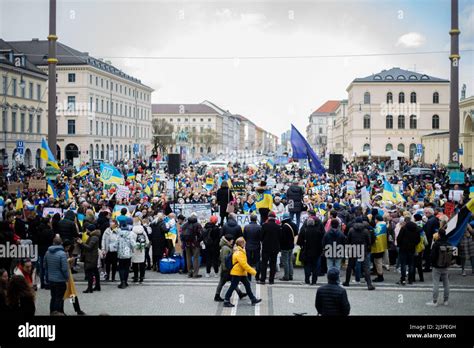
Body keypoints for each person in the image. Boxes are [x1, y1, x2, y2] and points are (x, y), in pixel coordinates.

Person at [223, 237, 262, 307]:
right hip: (237, 273)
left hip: (241, 272)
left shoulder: (240, 250)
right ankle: (226, 300)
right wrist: (254, 272)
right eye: (244, 243)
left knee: (247, 285)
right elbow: (244, 265)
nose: (245, 244)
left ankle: (253, 299)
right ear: (242, 243)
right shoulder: (239, 253)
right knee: (233, 286)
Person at [343, 216, 375, 290]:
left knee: (350, 266)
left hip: (353, 249)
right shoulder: (366, 231)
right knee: (365, 267)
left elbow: (348, 240)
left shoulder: (351, 230)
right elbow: (369, 241)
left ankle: (347, 282)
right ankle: (369, 284)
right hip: (363, 250)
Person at [214, 234, 246, 302]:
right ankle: (217, 296)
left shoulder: (227, 246)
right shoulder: (225, 248)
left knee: (233, 281)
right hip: (226, 269)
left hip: (227, 268)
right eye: (232, 240)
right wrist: (227, 269)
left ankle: (240, 293)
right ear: (228, 241)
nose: (233, 242)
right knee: (222, 282)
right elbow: (224, 260)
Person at [44, 236, 69, 314]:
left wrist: (47, 276)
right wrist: (67, 277)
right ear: (61, 243)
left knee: (53, 297)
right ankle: (58, 313)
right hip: (60, 280)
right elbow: (64, 269)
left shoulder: (47, 252)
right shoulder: (62, 254)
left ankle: (52, 312)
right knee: (59, 298)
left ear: (53, 243)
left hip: (51, 279)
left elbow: (45, 265)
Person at [426, 229, 451, 306]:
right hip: (445, 265)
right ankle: (446, 300)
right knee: (446, 283)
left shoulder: (436, 244)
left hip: (436, 266)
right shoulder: (448, 243)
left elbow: (432, 256)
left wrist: (431, 263)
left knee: (436, 283)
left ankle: (435, 301)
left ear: (439, 235)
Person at [297, 217, 325, 285]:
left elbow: (299, 242)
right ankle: (314, 281)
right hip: (316, 251)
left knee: (307, 266)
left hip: (306, 251)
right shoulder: (318, 231)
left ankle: (307, 280)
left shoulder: (304, 230)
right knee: (315, 266)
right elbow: (321, 242)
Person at [62, 240, 85, 315]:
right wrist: (69, 260)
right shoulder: (62, 253)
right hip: (65, 276)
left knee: (70, 294)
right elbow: (64, 264)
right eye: (67, 247)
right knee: (67, 294)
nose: (68, 249)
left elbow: (69, 266)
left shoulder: (66, 252)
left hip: (67, 275)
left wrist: (71, 261)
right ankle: (76, 310)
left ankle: (76, 309)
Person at [77, 224, 101, 293]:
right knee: (95, 272)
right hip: (92, 256)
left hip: (91, 257)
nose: (86, 230)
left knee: (89, 273)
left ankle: (90, 288)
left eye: (87, 229)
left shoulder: (94, 237)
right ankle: (97, 286)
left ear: (90, 230)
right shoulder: (93, 236)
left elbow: (89, 247)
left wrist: (81, 243)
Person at [259, 212, 280, 285]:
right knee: (273, 264)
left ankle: (262, 279)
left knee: (264, 264)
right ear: (275, 218)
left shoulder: (265, 226)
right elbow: (280, 238)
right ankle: (271, 280)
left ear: (268, 217)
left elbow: (261, 237)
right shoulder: (278, 226)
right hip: (275, 248)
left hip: (266, 248)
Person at [396, 220, 420, 285]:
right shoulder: (416, 229)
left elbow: (399, 238)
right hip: (412, 248)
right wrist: (414, 244)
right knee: (411, 265)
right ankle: (410, 279)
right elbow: (418, 239)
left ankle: (403, 279)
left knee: (403, 264)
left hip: (403, 248)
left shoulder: (404, 229)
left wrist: (400, 245)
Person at [181, 212, 203, 278]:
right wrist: (199, 241)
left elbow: (182, 234)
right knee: (196, 259)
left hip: (187, 244)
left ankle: (189, 273)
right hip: (195, 244)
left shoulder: (185, 225)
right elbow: (201, 234)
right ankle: (195, 274)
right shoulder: (198, 225)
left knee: (188, 258)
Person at [35, 217, 54, 289]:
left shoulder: (39, 230)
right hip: (48, 250)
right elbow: (52, 239)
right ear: (48, 223)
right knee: (47, 266)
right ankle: (48, 282)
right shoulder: (49, 231)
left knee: (41, 267)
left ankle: (42, 282)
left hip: (40, 250)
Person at [243, 214, 262, 281]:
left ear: (250, 219)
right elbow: (261, 237)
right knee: (257, 261)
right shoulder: (259, 227)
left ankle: (249, 277)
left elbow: (244, 237)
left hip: (248, 245)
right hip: (257, 245)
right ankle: (257, 276)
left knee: (248, 261)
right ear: (256, 219)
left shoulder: (246, 227)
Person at [279, 212, 298, 281]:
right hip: (291, 245)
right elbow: (296, 234)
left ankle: (286, 276)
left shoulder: (284, 226)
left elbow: (281, 238)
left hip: (284, 246)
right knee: (290, 261)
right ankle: (291, 275)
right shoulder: (294, 225)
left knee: (285, 262)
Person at [131, 217, 150, 283]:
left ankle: (136, 277)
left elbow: (131, 241)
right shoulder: (143, 231)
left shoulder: (132, 232)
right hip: (142, 249)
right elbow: (147, 240)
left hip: (135, 249)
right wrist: (144, 246)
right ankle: (142, 277)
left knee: (135, 264)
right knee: (142, 263)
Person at [117, 224, 136, 289]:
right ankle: (126, 281)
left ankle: (122, 282)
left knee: (121, 268)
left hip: (120, 254)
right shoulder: (130, 235)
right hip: (128, 254)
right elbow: (134, 244)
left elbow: (116, 244)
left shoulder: (118, 235)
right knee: (126, 268)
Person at [371, 215, 388, 282]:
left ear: (377, 220)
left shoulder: (378, 227)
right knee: (379, 261)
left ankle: (380, 276)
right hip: (383, 246)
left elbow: (374, 237)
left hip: (377, 247)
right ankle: (380, 275)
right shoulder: (384, 225)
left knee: (378, 262)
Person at [423, 208, 439, 272]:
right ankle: (429, 266)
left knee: (428, 254)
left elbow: (427, 231)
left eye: (426, 213)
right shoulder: (434, 219)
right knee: (430, 253)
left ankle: (427, 267)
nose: (425, 214)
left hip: (430, 239)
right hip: (433, 238)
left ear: (429, 213)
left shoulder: (430, 221)